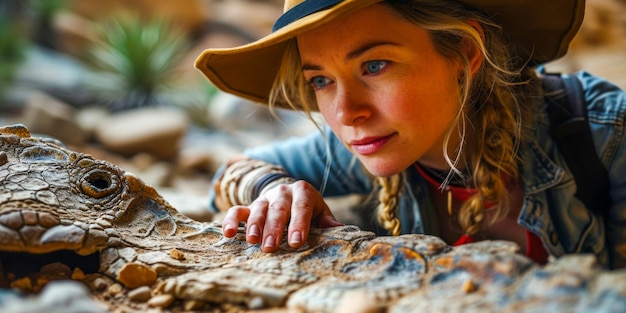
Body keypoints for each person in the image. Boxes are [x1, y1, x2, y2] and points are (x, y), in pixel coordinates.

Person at [194, 0, 626, 269]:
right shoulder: (359, 147)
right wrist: (274, 188)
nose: (346, 114)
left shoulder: (604, 133)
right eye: (320, 81)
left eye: (374, 65)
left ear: (465, 53)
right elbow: (232, 171)